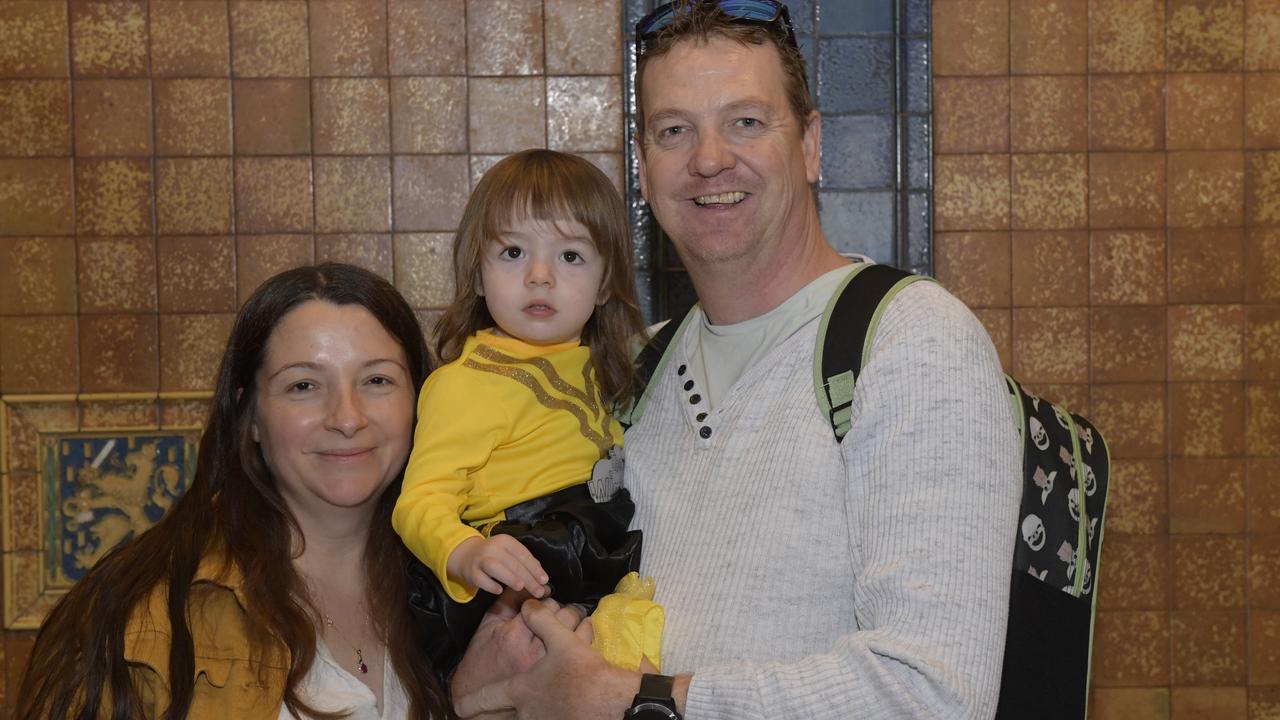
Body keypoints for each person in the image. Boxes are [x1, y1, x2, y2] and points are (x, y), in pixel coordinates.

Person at [452, 1, 1022, 719]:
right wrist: (479, 674)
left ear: (811, 145)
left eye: (746, 122)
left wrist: (638, 702)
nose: (709, 157)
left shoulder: (910, 342)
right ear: (644, 167)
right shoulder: (636, 368)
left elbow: (933, 693)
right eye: (674, 130)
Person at [15, 263, 453, 719]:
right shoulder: (134, 616)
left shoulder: (472, 587)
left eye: (377, 380)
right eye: (303, 385)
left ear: (421, 399)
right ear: (251, 416)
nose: (347, 418)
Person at [393, 150, 658, 675]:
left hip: (590, 558)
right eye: (513, 253)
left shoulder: (602, 369)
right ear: (476, 274)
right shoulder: (463, 384)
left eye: (571, 257)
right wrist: (466, 553)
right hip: (524, 566)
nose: (540, 276)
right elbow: (419, 501)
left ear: (605, 284)